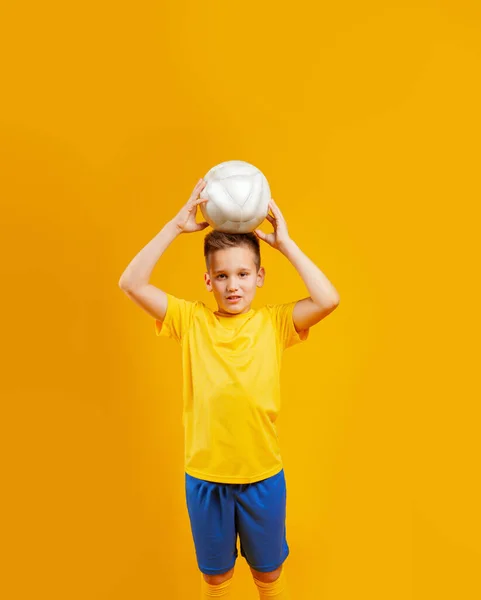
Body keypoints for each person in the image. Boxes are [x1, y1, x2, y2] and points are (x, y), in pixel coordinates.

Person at [118, 178, 340, 599]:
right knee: (216, 580)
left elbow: (328, 300)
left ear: (260, 277)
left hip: (262, 477)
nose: (232, 285)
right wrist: (173, 227)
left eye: (242, 274)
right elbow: (131, 283)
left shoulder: (274, 324)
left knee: (269, 576)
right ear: (207, 281)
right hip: (206, 478)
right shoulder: (190, 320)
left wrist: (285, 243)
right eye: (221, 275)